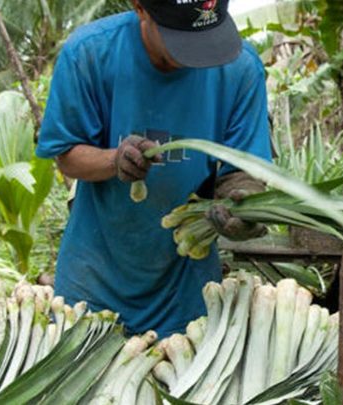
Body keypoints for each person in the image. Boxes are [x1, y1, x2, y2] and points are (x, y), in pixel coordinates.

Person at [36, 0, 271, 337]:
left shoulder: (239, 68)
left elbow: (244, 168)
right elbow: (66, 155)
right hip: (94, 277)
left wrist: (246, 202)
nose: (197, 55)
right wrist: (113, 160)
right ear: (141, 8)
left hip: (186, 286)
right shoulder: (89, 53)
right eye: (181, 38)